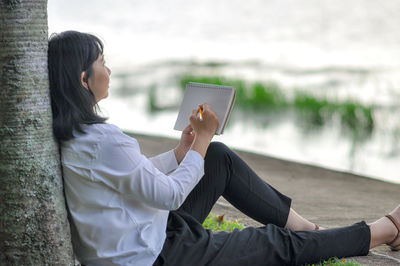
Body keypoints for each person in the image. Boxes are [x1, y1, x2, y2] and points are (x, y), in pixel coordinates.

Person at [47, 30, 400, 266]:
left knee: (218, 158)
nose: (109, 69)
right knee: (274, 243)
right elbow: (169, 195)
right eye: (102, 62)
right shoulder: (104, 141)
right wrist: (201, 139)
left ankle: (307, 229)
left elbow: (130, 175)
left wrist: (182, 153)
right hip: (157, 255)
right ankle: (386, 229)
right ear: (84, 79)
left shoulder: (75, 136)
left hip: (144, 236)